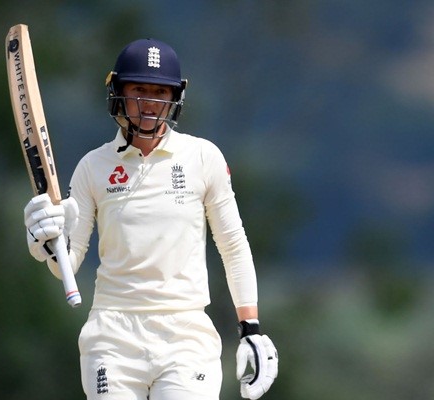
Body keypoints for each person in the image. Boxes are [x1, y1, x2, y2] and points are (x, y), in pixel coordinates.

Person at [23, 38, 278, 400]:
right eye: (139, 89)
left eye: (160, 91)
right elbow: (69, 259)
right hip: (112, 334)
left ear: (174, 98)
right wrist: (48, 243)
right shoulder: (92, 167)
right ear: (118, 93)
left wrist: (250, 328)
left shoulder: (202, 157)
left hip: (186, 333)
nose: (150, 102)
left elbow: (233, 245)